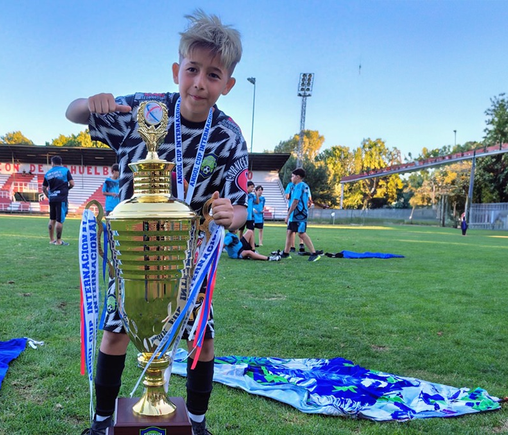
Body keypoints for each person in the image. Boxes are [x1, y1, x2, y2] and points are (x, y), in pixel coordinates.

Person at [67, 10, 247, 435]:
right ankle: (101, 422)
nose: (200, 83)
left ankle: (198, 424)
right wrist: (89, 102)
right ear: (176, 70)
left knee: (200, 343)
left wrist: (230, 215)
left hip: (190, 259)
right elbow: (73, 114)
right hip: (133, 253)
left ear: (228, 84)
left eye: (214, 75)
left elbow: (240, 208)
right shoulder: (143, 110)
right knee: (116, 335)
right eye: (192, 70)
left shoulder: (229, 135)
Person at [280, 168, 320, 261]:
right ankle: (286, 253)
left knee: (301, 234)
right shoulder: (304, 186)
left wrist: (288, 215)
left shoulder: (299, 186)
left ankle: (314, 253)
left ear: (298, 177)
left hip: (298, 215)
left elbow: (295, 201)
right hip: (296, 214)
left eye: (293, 176)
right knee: (289, 232)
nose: (291, 178)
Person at [42, 156, 74, 246]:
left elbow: (43, 188)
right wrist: (67, 189)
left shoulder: (48, 173)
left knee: (52, 219)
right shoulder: (65, 170)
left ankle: (52, 240)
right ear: (60, 162)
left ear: (52, 163)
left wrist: (49, 196)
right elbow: (72, 183)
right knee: (59, 220)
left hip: (52, 198)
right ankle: (59, 241)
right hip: (61, 198)